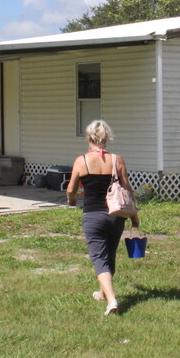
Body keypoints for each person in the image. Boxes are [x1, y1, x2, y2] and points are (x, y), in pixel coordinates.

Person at [66, 119, 138, 316]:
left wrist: (71, 199)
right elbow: (127, 189)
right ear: (106, 138)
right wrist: (134, 215)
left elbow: (71, 188)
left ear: (89, 137)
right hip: (116, 216)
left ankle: (112, 300)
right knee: (109, 254)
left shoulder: (82, 161)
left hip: (93, 215)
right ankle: (102, 293)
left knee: (99, 257)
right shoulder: (117, 160)